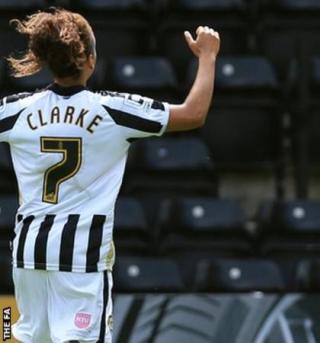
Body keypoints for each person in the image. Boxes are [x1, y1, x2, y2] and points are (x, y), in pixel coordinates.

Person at [2, 8, 219, 343]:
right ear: (90, 59)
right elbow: (193, 114)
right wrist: (208, 55)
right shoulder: (112, 111)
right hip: (81, 260)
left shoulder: (16, 110)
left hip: (29, 256)